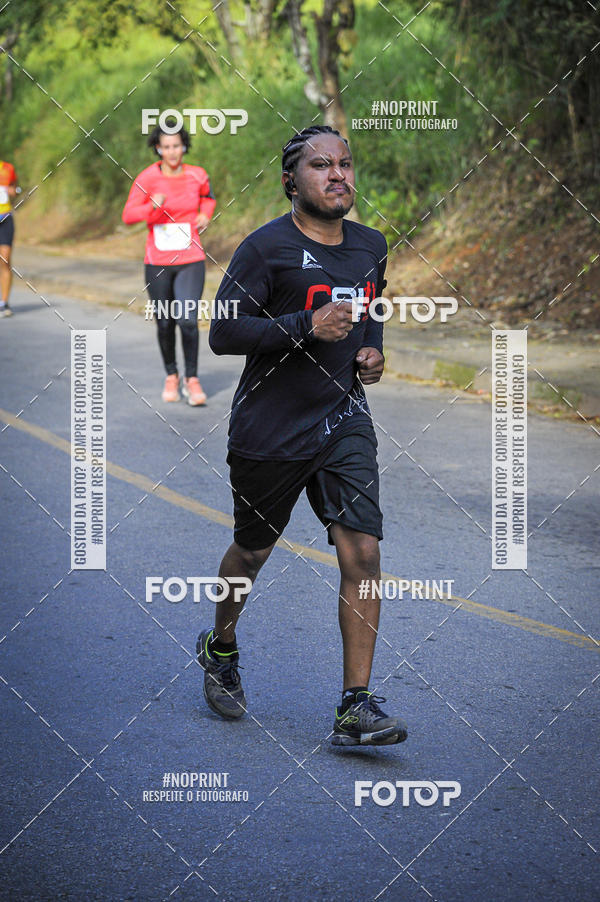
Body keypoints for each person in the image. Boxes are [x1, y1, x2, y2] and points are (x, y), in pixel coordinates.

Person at [198, 125, 408, 747]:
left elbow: (369, 308)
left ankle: (355, 706)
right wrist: (304, 326)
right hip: (270, 428)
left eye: (345, 163)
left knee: (363, 552)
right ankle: (221, 645)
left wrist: (372, 351)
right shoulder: (264, 249)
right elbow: (224, 334)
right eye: (321, 166)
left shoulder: (371, 245)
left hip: (343, 418)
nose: (338, 174)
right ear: (291, 182)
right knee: (252, 551)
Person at [122, 119, 216, 405]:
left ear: (184, 146)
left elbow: (208, 198)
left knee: (187, 319)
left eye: (177, 146)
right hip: (158, 261)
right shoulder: (147, 178)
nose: (172, 152)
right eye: (166, 147)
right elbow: (128, 216)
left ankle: (192, 379)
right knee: (165, 322)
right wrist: (151, 204)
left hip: (190, 258)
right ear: (158, 149)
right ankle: (172, 375)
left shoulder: (198, 175)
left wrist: (205, 214)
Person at [0, 159, 20, 318]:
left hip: (5, 217)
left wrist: (13, 190)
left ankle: (4, 303)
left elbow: (15, 190)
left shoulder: (8, 168)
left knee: (5, 260)